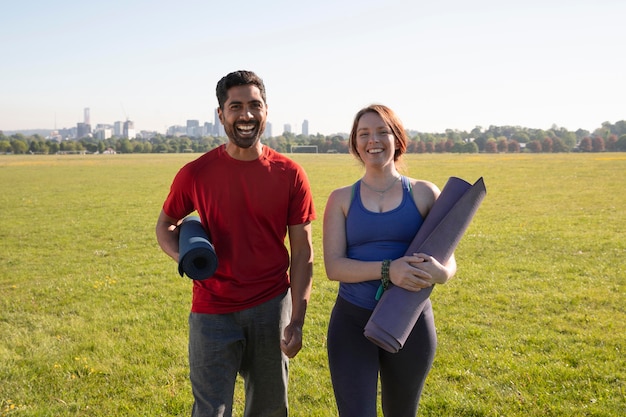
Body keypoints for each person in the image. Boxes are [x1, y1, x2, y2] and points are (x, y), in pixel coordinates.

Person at [155, 70, 316, 417]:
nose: (246, 115)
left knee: (270, 409)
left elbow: (303, 254)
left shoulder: (290, 174)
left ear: (266, 111)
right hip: (212, 309)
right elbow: (165, 225)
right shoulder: (196, 173)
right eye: (236, 106)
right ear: (220, 114)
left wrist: (297, 319)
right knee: (210, 410)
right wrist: (187, 258)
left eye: (254, 105)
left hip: (272, 307)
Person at [323, 104, 457, 416]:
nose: (374, 140)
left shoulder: (424, 193)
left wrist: (442, 273)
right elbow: (334, 266)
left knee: (402, 411)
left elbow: (449, 260)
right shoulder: (341, 199)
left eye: (383, 132)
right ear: (355, 144)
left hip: (410, 320)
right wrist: (389, 270)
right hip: (351, 321)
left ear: (397, 138)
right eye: (364, 134)